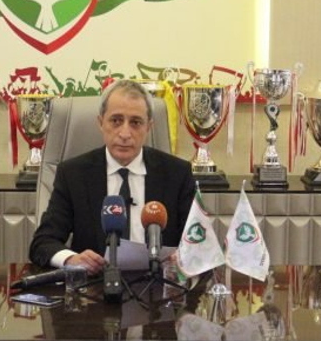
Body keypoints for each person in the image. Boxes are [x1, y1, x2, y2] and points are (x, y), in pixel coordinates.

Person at [29, 79, 196, 274]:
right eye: (116, 121)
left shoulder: (177, 174)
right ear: (101, 123)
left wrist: (185, 257)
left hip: (157, 285)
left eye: (135, 123)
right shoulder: (73, 174)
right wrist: (71, 259)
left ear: (148, 127)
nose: (125, 133)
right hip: (95, 285)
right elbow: (42, 243)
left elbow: (198, 242)